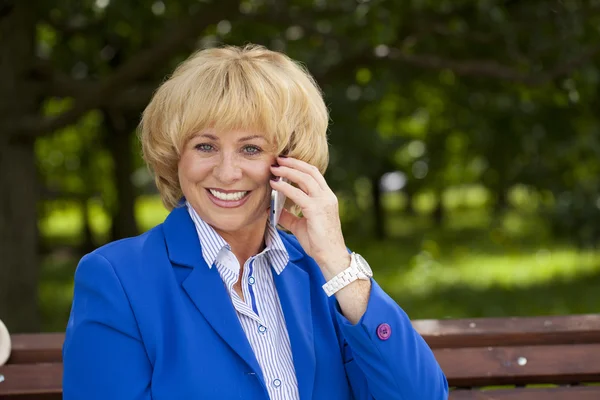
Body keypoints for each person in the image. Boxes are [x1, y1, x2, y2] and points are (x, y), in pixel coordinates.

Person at [62, 44, 448, 400]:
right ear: (175, 157)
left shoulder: (324, 273)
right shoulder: (117, 279)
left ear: (289, 160)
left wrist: (339, 262)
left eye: (251, 148)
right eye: (205, 146)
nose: (228, 172)